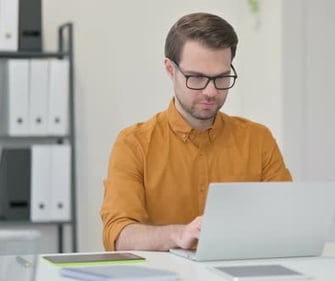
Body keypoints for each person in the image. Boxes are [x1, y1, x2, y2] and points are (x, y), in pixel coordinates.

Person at [100, 12, 292, 251]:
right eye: (197, 78)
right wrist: (178, 235)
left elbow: (288, 223)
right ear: (170, 69)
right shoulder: (133, 144)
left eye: (221, 78)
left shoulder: (258, 139)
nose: (211, 91)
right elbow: (118, 235)